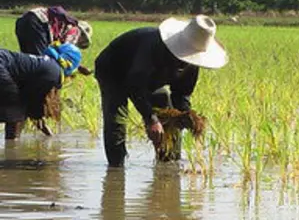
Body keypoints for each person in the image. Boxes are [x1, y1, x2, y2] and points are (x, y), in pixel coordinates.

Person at [94, 15, 227, 167]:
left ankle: (169, 163)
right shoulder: (154, 48)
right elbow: (135, 85)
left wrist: (185, 117)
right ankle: (116, 169)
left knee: (168, 112)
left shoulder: (192, 64)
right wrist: (151, 119)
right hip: (113, 70)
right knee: (117, 118)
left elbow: (182, 94)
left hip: (146, 78)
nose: (185, 63)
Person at [9, 6, 92, 139]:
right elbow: (58, 57)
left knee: (32, 69)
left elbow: (54, 52)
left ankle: (30, 121)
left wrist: (78, 68)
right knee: (39, 72)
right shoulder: (74, 31)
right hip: (37, 23)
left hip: (24, 21)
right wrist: (75, 68)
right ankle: (35, 118)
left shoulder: (61, 25)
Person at [0, 44, 82, 139]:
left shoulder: (46, 64)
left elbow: (32, 109)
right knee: (16, 111)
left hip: (3, 59)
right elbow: (31, 106)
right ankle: (12, 148)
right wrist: (49, 135)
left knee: (16, 107)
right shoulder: (54, 73)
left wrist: (47, 133)